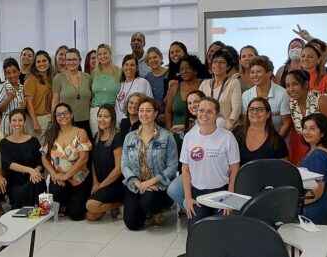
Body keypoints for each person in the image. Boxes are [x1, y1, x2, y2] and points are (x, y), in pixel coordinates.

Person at [181, 97, 240, 224]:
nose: (204, 115)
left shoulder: (227, 137)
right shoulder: (189, 137)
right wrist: (188, 198)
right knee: (196, 231)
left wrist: (230, 196)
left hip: (222, 192)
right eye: (201, 110)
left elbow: (235, 169)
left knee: (220, 231)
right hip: (198, 194)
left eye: (209, 111)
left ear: (216, 114)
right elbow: (185, 170)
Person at [121, 98, 177, 230]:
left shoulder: (166, 136)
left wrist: (150, 182)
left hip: (158, 185)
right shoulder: (129, 137)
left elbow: (172, 166)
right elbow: (124, 164)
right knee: (132, 224)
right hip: (136, 184)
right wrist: (137, 182)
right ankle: (145, 212)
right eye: (141, 111)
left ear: (156, 114)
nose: (144, 114)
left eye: (148, 111)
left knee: (148, 201)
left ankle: (159, 209)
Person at [42, 103, 92, 221]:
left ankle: (70, 204)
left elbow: (83, 158)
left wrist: (66, 176)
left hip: (78, 179)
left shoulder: (81, 132)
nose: (62, 116)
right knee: (55, 198)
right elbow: (44, 158)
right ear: (55, 117)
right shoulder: (51, 133)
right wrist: (54, 174)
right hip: (58, 179)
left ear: (71, 115)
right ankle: (64, 204)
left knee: (77, 215)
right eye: (59, 114)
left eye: (65, 113)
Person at [86, 105, 125, 221]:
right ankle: (111, 207)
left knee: (90, 206)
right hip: (100, 182)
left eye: (106, 117)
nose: (102, 119)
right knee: (90, 216)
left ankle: (119, 203)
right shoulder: (96, 136)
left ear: (112, 119)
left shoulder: (118, 137)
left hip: (115, 184)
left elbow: (118, 169)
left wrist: (101, 186)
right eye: (100, 116)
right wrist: (95, 183)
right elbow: (93, 162)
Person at [1, 109, 46, 209]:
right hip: (15, 181)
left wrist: (36, 171)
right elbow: (8, 164)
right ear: (10, 122)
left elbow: (40, 162)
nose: (17, 123)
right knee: (20, 200)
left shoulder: (33, 140)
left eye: (20, 120)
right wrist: (30, 170)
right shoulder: (4, 142)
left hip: (33, 178)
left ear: (24, 122)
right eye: (14, 120)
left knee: (38, 182)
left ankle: (36, 206)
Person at [299, 113, 327, 225]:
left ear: (322, 133)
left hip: (312, 211)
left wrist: (294, 203)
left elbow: (316, 191)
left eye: (312, 129)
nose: (306, 132)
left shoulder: (318, 155)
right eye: (305, 128)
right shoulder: (319, 151)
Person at [243, 56, 292, 136]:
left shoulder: (283, 93)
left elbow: (286, 123)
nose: (255, 75)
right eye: (252, 72)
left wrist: (276, 142)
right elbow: (246, 122)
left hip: (278, 139)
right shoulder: (246, 95)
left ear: (269, 73)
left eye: (258, 72)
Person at [233, 97, 288, 165]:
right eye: (251, 109)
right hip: (239, 175)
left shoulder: (277, 140)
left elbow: (284, 168)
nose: (255, 112)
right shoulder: (236, 133)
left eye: (260, 110)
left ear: (268, 114)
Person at [52, 48, 92, 135]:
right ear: (65, 61)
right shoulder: (59, 78)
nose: (71, 62)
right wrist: (53, 121)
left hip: (86, 122)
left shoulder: (88, 77)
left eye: (74, 59)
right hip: (65, 122)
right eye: (69, 60)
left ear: (80, 60)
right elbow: (55, 101)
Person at [199, 48, 242, 130]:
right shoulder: (204, 84)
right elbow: (198, 106)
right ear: (211, 65)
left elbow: (236, 109)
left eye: (222, 62)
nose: (218, 65)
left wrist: (227, 126)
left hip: (227, 128)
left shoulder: (233, 83)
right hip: (206, 127)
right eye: (215, 62)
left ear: (228, 66)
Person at [90, 44, 121, 136]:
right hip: (96, 111)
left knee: (114, 138)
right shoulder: (94, 73)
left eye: (105, 53)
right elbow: (91, 94)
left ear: (110, 54)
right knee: (97, 138)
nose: (102, 56)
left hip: (113, 110)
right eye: (99, 54)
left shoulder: (119, 72)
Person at [165, 56, 201, 131]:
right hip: (176, 133)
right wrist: (169, 132)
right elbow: (168, 112)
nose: (184, 71)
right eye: (181, 69)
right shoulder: (174, 87)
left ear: (195, 70)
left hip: (199, 132)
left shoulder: (204, 85)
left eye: (187, 68)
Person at [116, 54, 153, 125]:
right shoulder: (120, 85)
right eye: (126, 64)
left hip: (139, 123)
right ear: (123, 67)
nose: (129, 67)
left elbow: (150, 104)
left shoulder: (143, 82)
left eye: (132, 65)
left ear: (137, 68)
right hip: (121, 124)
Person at [25, 50, 54, 137]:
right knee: (38, 147)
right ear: (35, 64)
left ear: (49, 62)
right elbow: (28, 103)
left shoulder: (51, 78)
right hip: (37, 119)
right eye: (38, 61)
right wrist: (35, 122)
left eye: (44, 61)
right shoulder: (31, 80)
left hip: (50, 118)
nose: (41, 64)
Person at [0, 58, 25, 135]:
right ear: (5, 75)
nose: (12, 75)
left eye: (14, 72)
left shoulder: (23, 87)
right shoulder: (2, 87)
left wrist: (24, 106)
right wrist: (9, 99)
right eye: (8, 73)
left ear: (19, 72)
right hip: (7, 126)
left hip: (20, 125)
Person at [143, 47, 168, 112]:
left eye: (155, 57)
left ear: (161, 58)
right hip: (153, 113)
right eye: (150, 58)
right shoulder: (147, 78)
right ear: (147, 62)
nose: (153, 60)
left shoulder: (169, 73)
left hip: (169, 112)